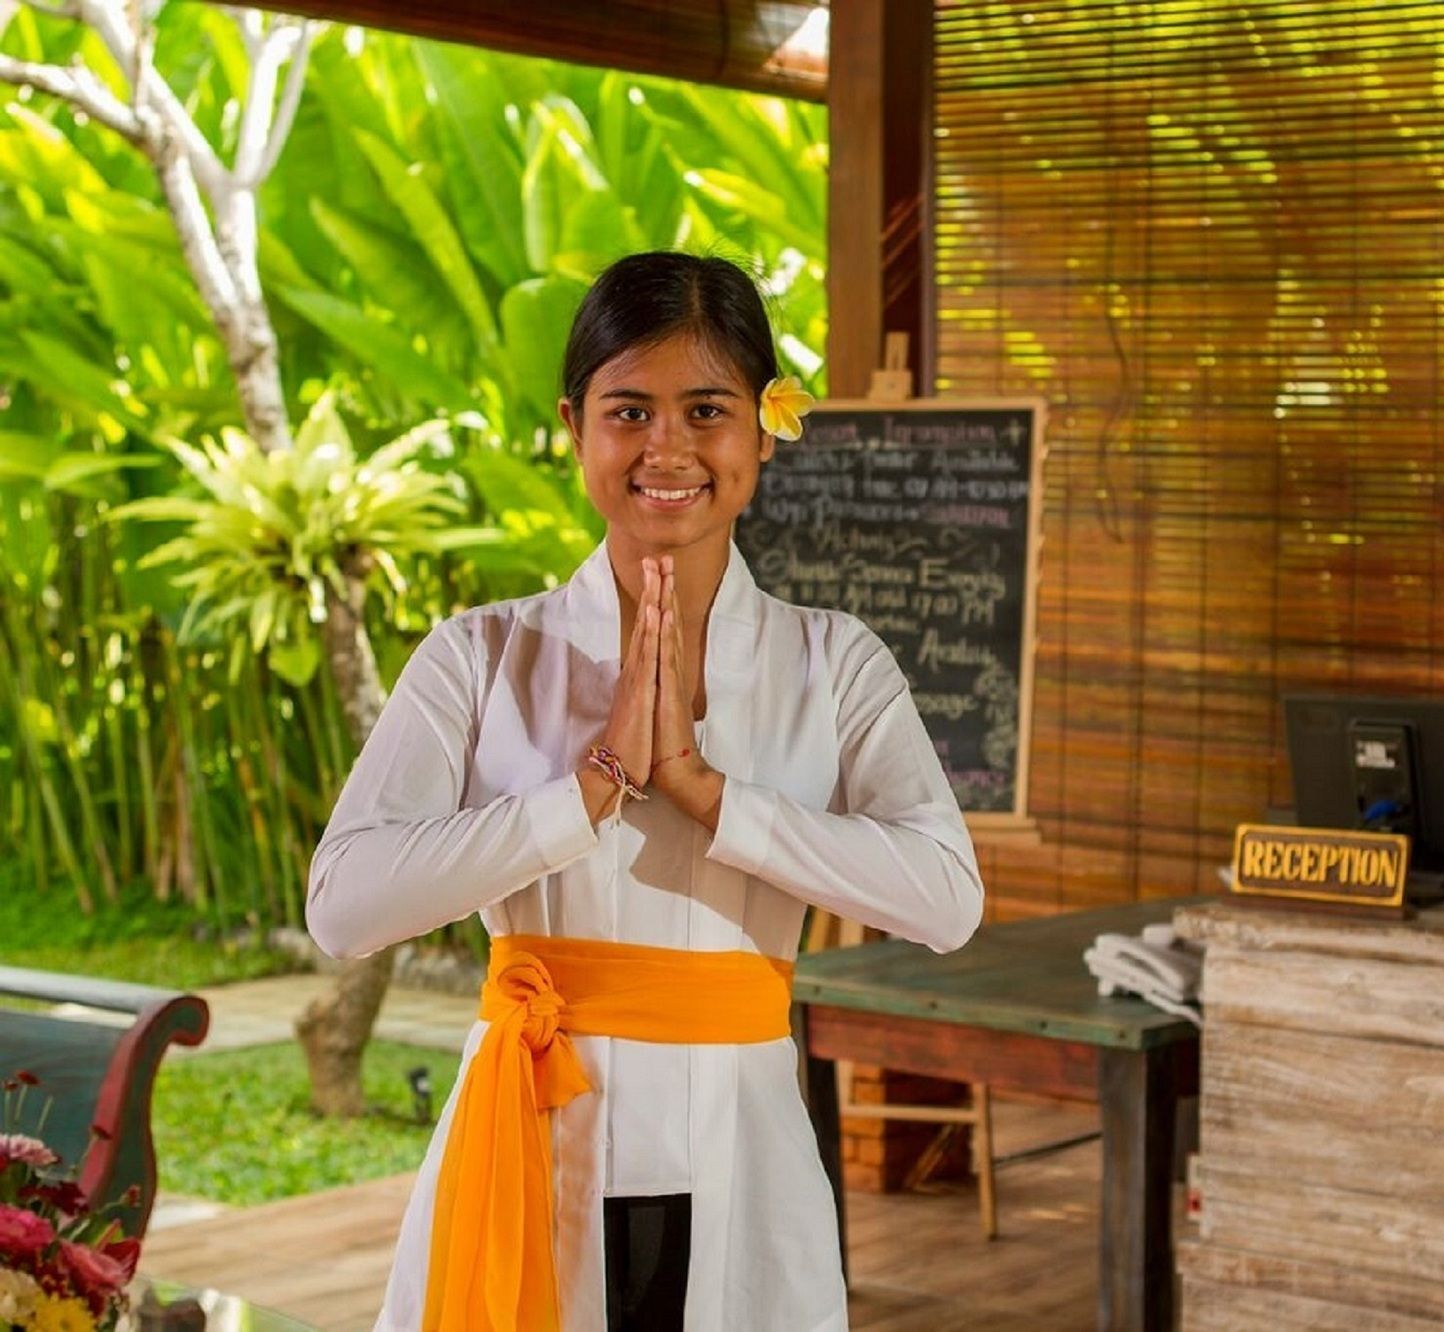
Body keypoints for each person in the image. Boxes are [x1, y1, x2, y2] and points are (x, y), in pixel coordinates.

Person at [306, 251, 985, 1332]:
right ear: (575, 427)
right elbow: (344, 905)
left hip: (740, 1148)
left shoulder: (834, 661)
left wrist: (710, 794)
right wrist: (589, 789)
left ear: (763, 430)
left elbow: (946, 900)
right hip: (532, 1134)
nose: (666, 448)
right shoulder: (479, 656)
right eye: (629, 411)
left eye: (705, 409)